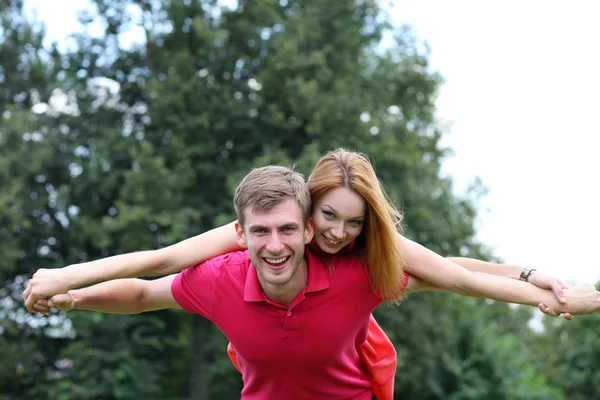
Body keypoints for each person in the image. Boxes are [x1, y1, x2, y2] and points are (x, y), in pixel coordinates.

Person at [27, 160, 600, 399]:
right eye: (262, 233)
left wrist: (543, 291)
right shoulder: (223, 270)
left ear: (301, 231)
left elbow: (457, 275)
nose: (276, 245)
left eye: (287, 231)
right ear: (243, 233)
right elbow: (146, 284)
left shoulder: (361, 271)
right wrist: (73, 292)